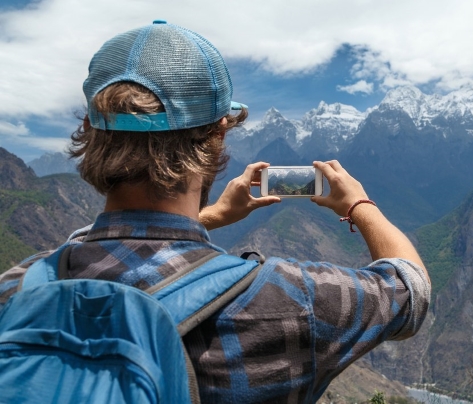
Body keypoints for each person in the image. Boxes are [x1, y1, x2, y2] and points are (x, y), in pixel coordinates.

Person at [0, 21, 430, 403]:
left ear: (91, 133)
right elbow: (409, 289)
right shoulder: (289, 303)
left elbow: (80, 246)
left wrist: (210, 216)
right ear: (217, 138)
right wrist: (358, 204)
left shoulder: (18, 289)